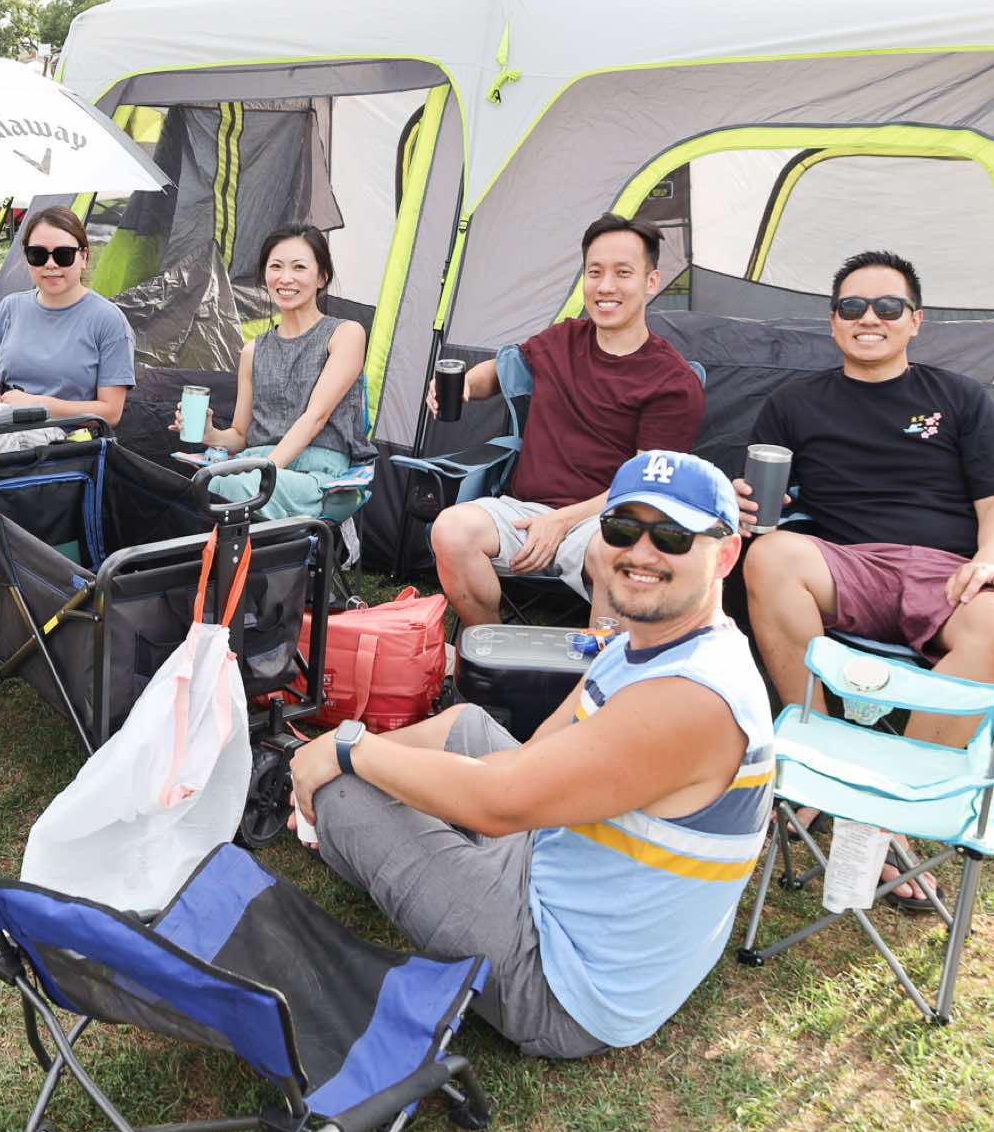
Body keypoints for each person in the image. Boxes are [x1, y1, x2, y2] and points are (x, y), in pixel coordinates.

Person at [292, 451, 769, 1057]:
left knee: (345, 793)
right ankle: (333, 807)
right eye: (623, 529)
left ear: (724, 555)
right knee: (465, 724)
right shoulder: (643, 643)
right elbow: (538, 752)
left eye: (672, 537)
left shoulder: (691, 698)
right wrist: (362, 760)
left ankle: (327, 815)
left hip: (561, 979)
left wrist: (347, 748)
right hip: (553, 866)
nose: (641, 553)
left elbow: (499, 803)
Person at [737, 249, 994, 905]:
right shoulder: (793, 403)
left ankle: (883, 815)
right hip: (851, 565)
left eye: (887, 306)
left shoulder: (958, 398)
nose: (868, 318)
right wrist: (748, 504)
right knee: (768, 557)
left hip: (949, 568)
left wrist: (990, 562)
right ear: (833, 320)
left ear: (915, 319)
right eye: (851, 306)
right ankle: (817, 757)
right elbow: (768, 506)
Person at [426, 213, 705, 626]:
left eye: (622, 273)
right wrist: (466, 382)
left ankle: (600, 665)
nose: (605, 286)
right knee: (451, 529)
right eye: (595, 272)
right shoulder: (563, 338)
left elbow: (644, 490)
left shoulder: (672, 382)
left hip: (607, 519)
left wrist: (560, 522)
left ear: (651, 282)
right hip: (524, 512)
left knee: (616, 552)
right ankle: (489, 645)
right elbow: (499, 373)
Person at [176, 224, 374, 518]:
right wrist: (211, 434)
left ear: (322, 277)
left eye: (299, 267)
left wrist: (262, 472)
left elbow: (316, 418)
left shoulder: (345, 334)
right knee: (201, 485)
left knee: (238, 489)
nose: (286, 278)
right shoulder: (253, 351)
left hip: (318, 475)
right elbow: (241, 435)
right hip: (256, 463)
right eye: (276, 266)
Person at [0, 206, 135, 426]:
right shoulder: (11, 307)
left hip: (64, 439)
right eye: (37, 255)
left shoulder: (108, 320)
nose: (50, 264)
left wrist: (38, 406)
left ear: (83, 257)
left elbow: (111, 413)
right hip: (1, 425)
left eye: (63, 255)